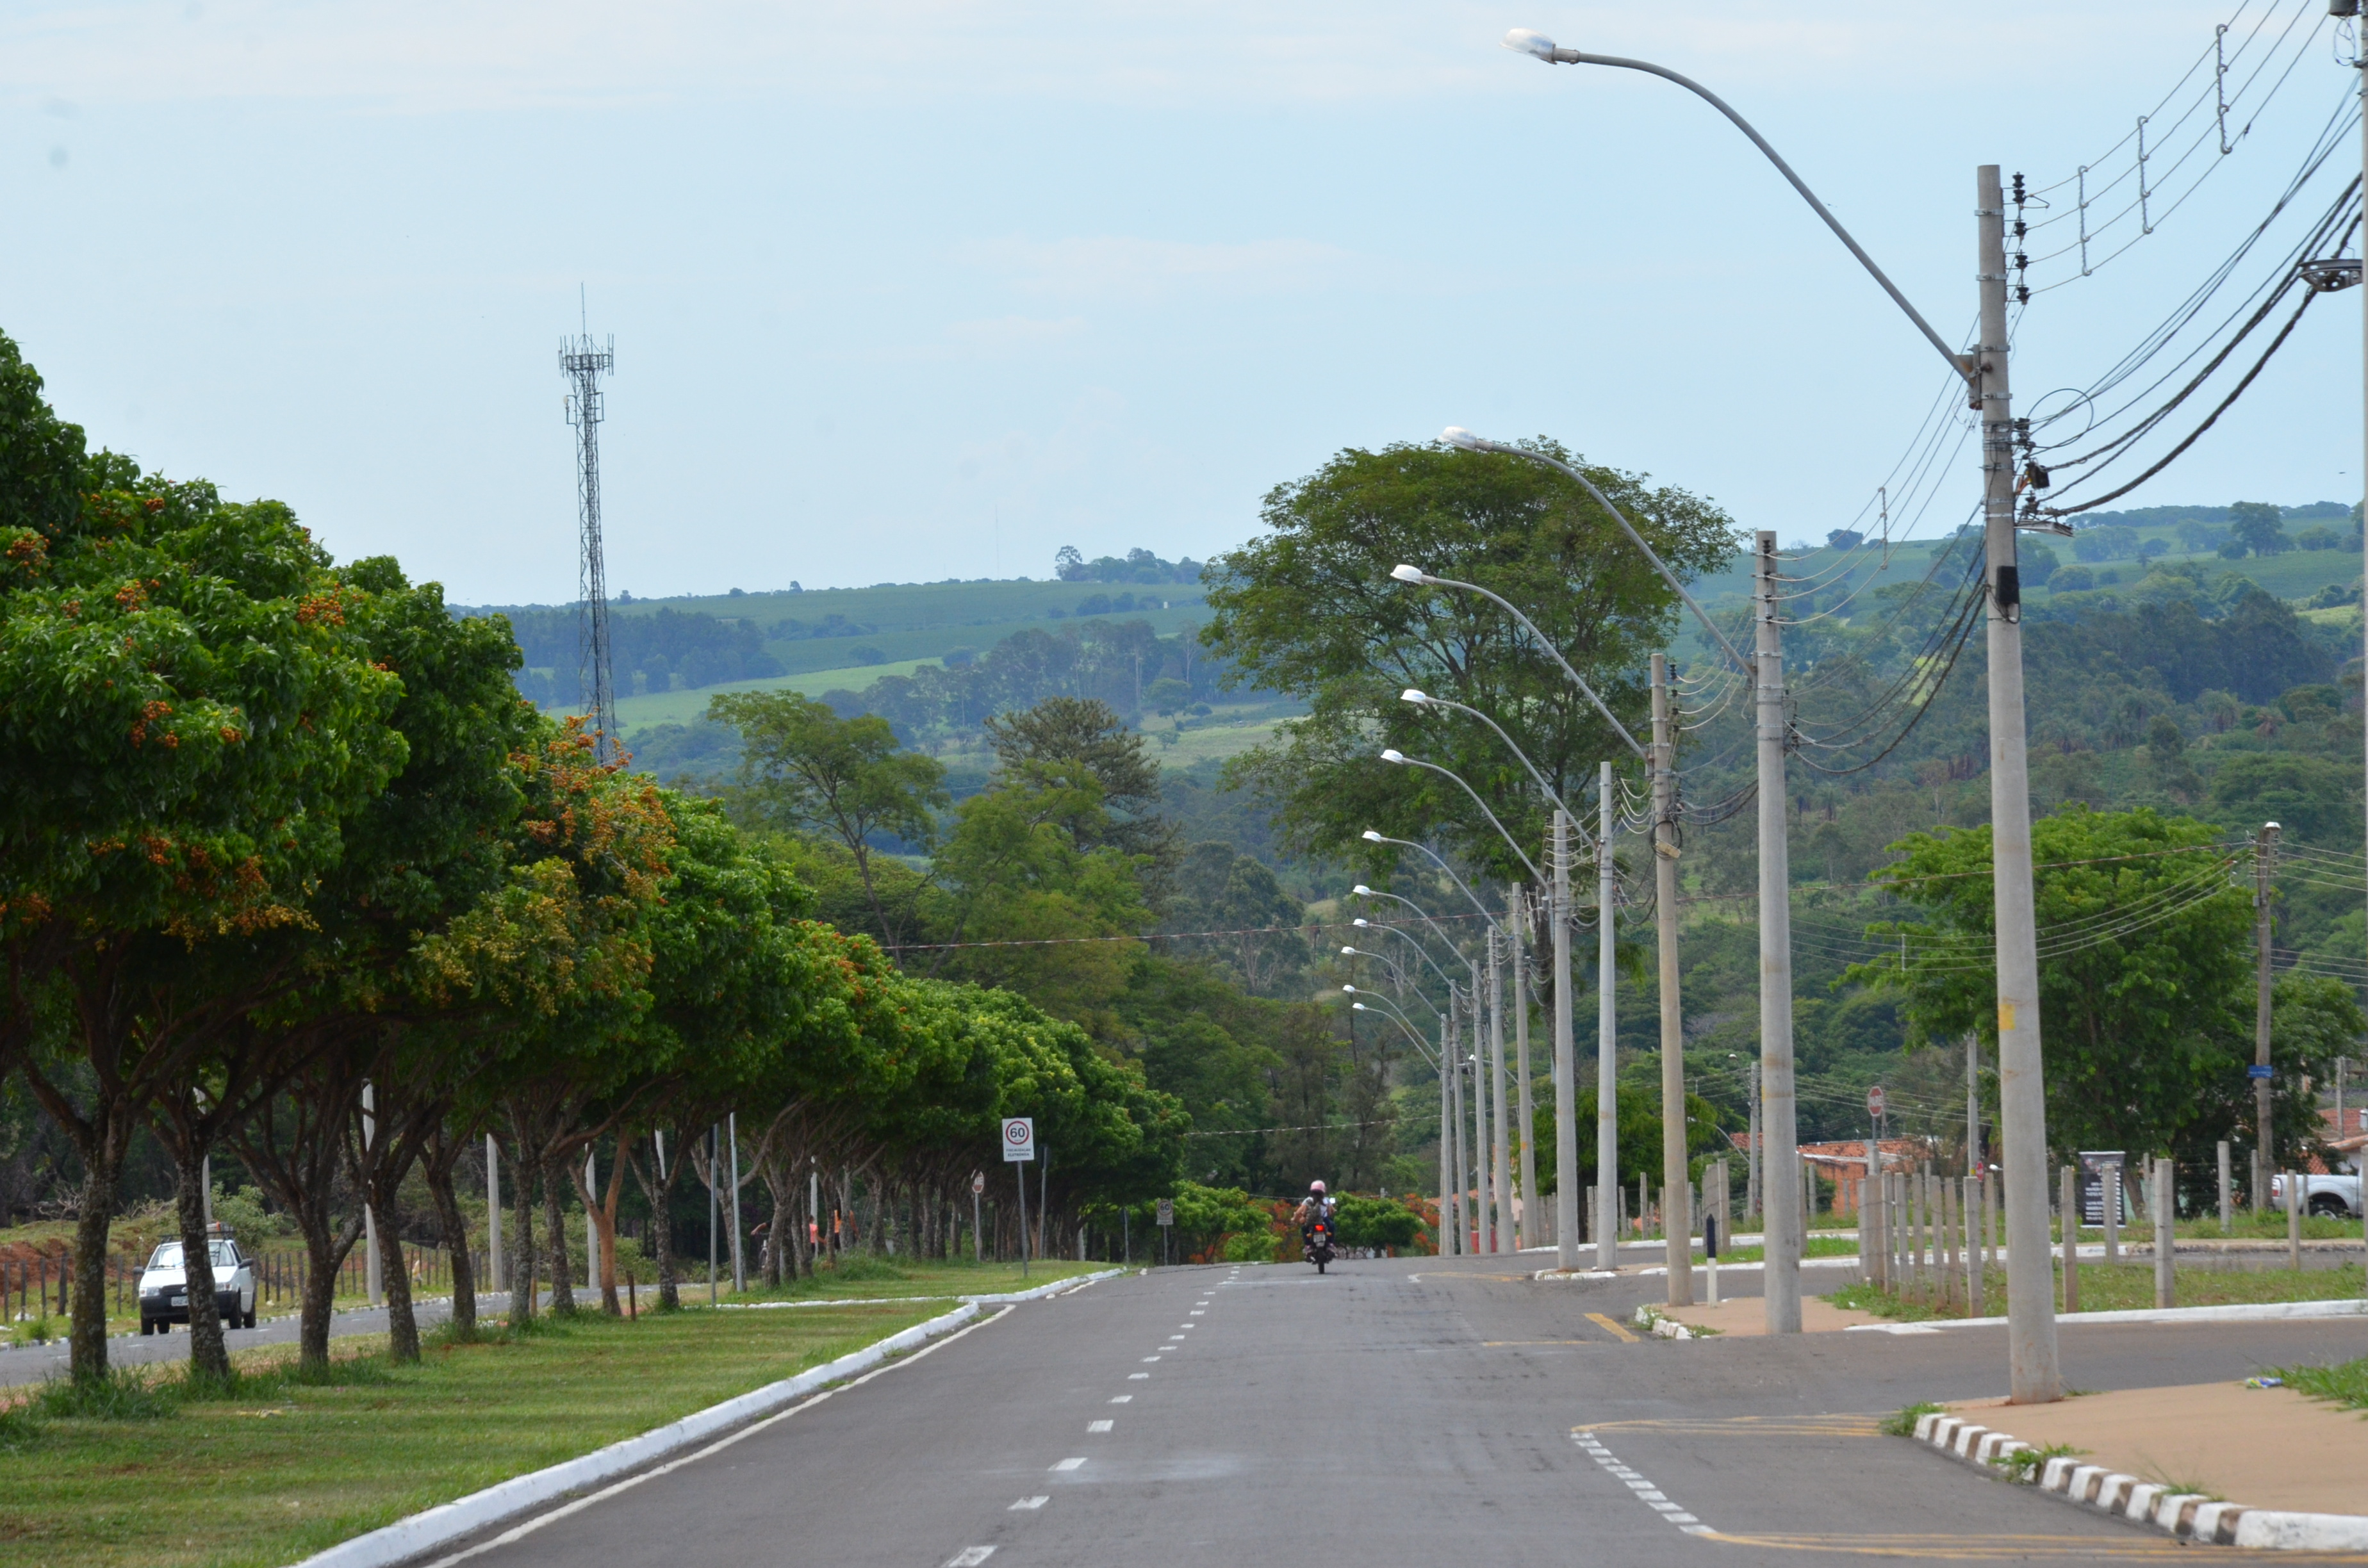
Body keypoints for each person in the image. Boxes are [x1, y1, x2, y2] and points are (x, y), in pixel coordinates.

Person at [1293, 1180, 1335, 1250]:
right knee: (1332, 1226)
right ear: (1323, 1191)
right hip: (1324, 1220)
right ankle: (1331, 1243)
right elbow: (1329, 1213)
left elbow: (1299, 1211)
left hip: (1311, 1222)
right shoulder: (1326, 1200)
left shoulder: (1308, 1200)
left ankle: (1308, 1245)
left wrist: (1294, 1218)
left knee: (1304, 1229)